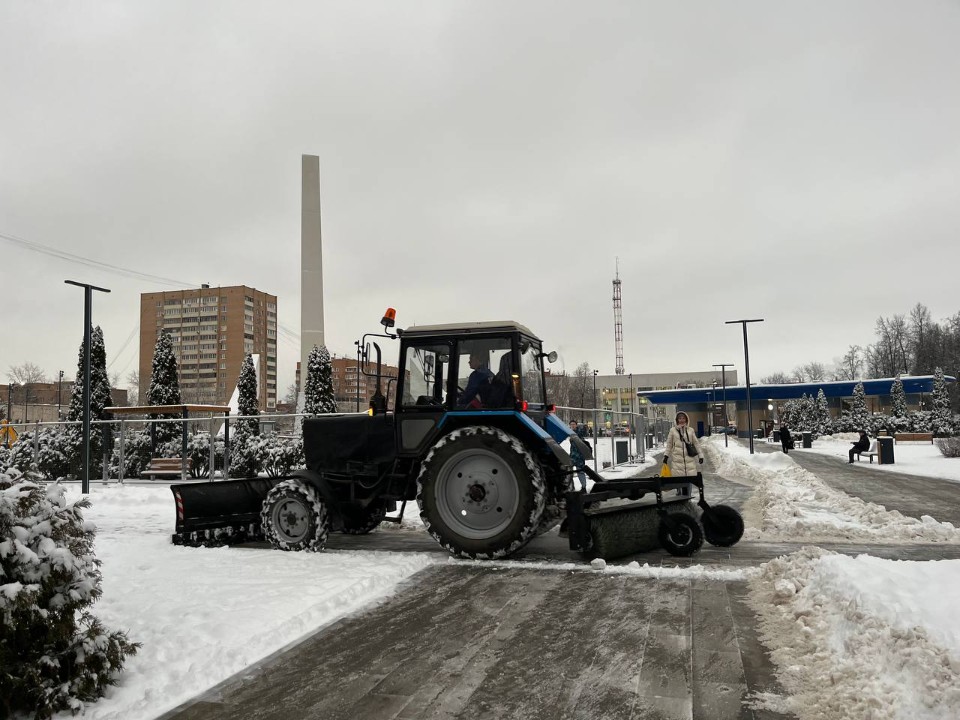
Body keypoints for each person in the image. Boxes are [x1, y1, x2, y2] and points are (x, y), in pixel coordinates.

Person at [663, 411, 704, 476]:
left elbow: (696, 444)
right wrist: (666, 456)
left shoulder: (691, 430)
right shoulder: (672, 430)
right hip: (677, 462)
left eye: (683, 418)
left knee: (689, 482)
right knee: (679, 482)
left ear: (686, 419)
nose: (682, 420)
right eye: (680, 418)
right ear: (677, 420)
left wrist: (700, 456)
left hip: (690, 463)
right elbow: (669, 444)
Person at [568, 420, 588, 492]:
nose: (572, 425)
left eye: (573, 424)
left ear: (576, 425)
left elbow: (582, 433)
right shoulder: (571, 433)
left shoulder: (578, 432)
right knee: (569, 471)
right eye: (571, 424)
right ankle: (571, 487)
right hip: (573, 455)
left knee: (580, 471)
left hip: (579, 455)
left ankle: (583, 487)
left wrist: (584, 427)